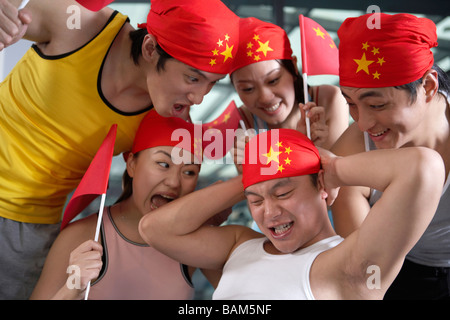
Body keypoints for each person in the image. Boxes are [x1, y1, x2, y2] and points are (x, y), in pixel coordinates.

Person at [0, 0, 239, 299]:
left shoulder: (168, 116)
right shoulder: (80, 24)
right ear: (151, 48)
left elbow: (168, 184)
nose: (200, 98)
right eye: (193, 78)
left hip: (29, 229)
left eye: (212, 84)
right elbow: (14, 13)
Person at [138, 128, 444, 299]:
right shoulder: (239, 243)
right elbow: (154, 229)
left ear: (321, 184)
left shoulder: (350, 266)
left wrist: (333, 168)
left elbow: (423, 168)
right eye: (254, 201)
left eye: (283, 193)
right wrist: (248, 178)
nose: (269, 212)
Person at [31, 109, 225, 300]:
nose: (174, 182)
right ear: (132, 165)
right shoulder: (83, 235)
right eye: (163, 164)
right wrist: (72, 287)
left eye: (189, 172)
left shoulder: (193, 241)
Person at [331, 13, 450, 299]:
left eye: (377, 104)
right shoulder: (352, 151)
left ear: (428, 87)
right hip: (398, 272)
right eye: (351, 104)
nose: (362, 124)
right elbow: (362, 268)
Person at [230, 17, 348, 150]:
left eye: (273, 80)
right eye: (248, 89)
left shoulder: (328, 99)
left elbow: (338, 168)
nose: (265, 97)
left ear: (292, 66)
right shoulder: (241, 122)